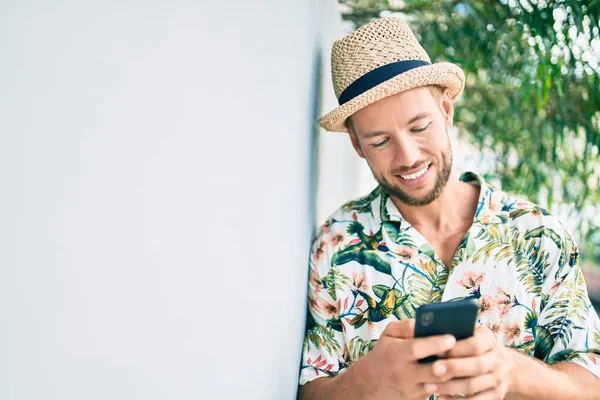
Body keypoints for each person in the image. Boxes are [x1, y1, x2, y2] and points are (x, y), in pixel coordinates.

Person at [298, 17, 600, 400]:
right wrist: (366, 383)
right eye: (379, 141)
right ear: (357, 146)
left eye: (419, 127)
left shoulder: (538, 233)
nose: (407, 157)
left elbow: (592, 384)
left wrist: (510, 370)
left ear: (446, 110)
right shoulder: (335, 244)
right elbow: (311, 392)